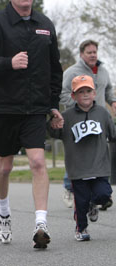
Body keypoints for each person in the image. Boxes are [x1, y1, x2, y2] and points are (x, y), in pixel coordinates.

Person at [0, 0, 63, 249]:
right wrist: (8, 63)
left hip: (35, 109)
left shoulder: (45, 25)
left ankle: (41, 224)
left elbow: (55, 69)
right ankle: (3, 213)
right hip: (3, 108)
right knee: (6, 166)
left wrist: (53, 104)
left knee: (38, 161)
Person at [48, 75, 114, 241]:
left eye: (88, 91)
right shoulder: (67, 116)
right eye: (80, 91)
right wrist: (52, 123)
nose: (85, 94)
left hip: (99, 167)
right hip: (78, 168)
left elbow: (113, 134)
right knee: (81, 202)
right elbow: (55, 132)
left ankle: (94, 204)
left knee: (104, 195)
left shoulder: (103, 113)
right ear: (73, 96)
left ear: (94, 93)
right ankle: (81, 228)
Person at [60, 40, 116, 210]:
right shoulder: (72, 72)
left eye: (95, 52)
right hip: (78, 118)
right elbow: (62, 94)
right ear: (81, 54)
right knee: (79, 154)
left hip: (99, 118)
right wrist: (79, 105)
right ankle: (70, 187)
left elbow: (108, 90)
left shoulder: (103, 71)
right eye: (89, 52)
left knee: (99, 153)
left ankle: (101, 193)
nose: (93, 55)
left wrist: (112, 101)